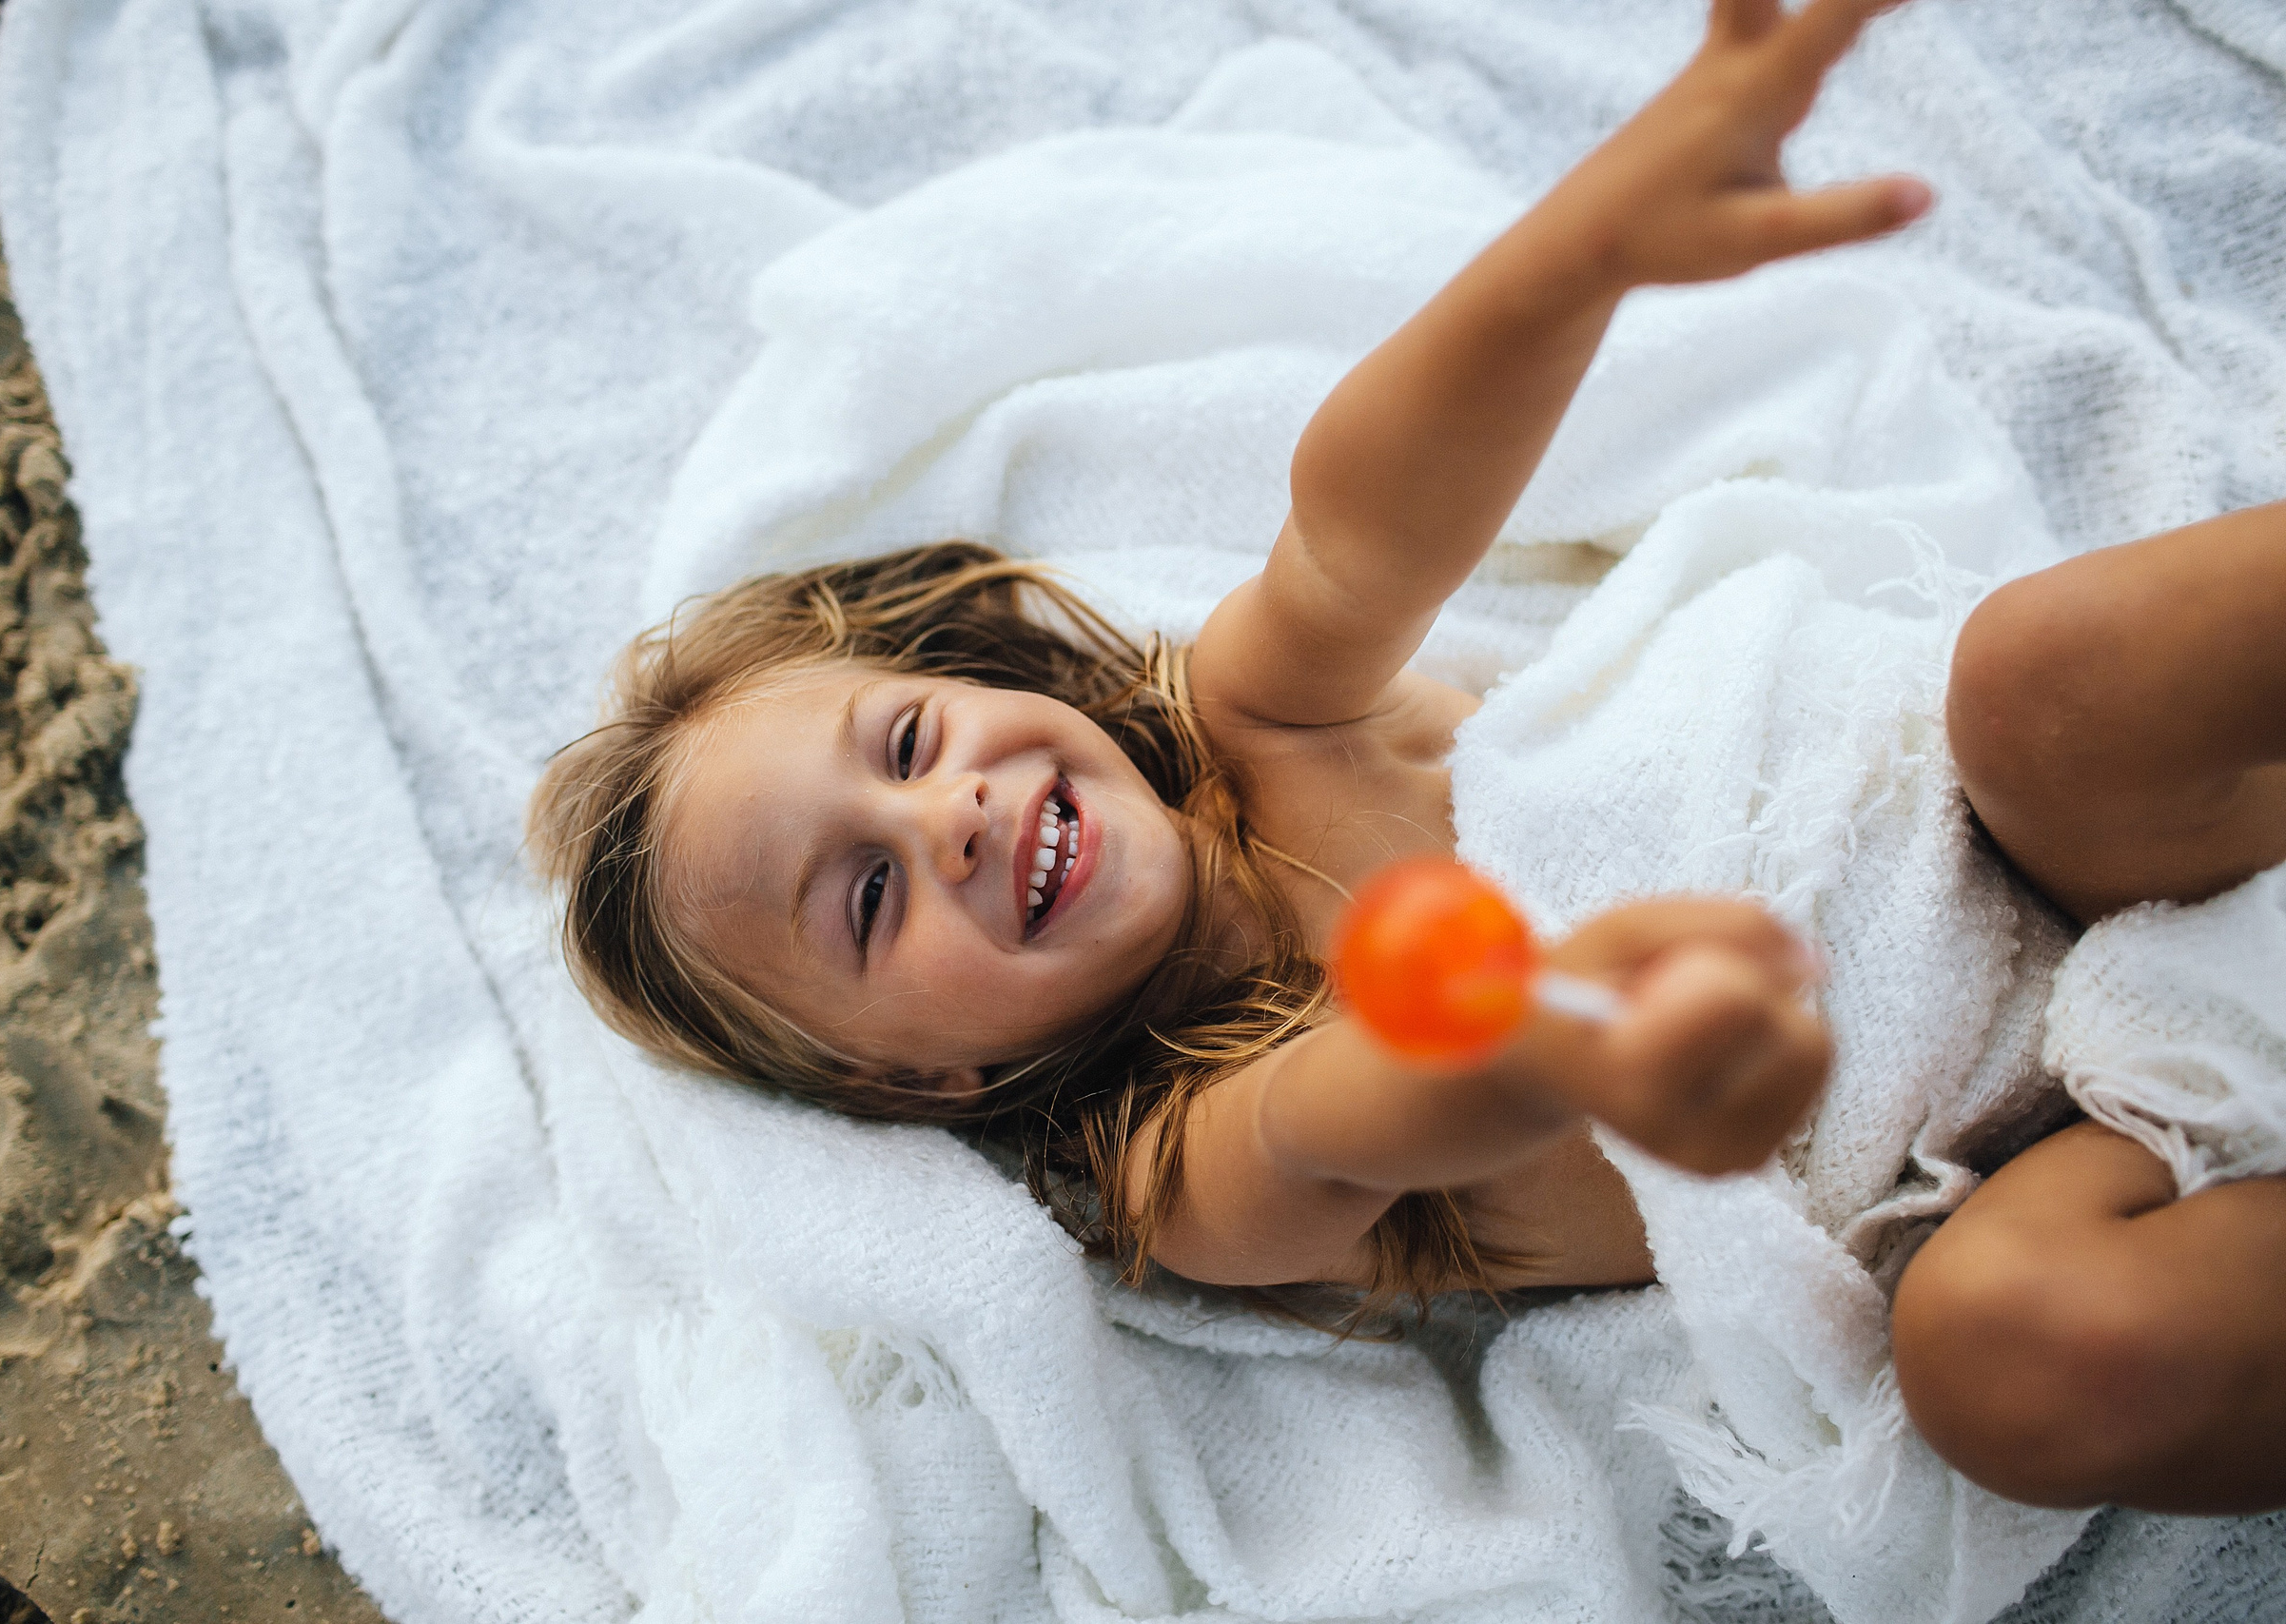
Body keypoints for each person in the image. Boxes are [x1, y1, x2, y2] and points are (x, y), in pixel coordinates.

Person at [529, 0, 2286, 1517]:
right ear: (911, 1086)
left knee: (2038, 670)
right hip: (2030, 1159)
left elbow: (1362, 517)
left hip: (2046, 835)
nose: (952, 817)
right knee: (2008, 1363)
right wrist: (1574, 1033)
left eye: (906, 744)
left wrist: (1590, 243)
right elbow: (1347, 1110)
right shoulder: (1176, 1162)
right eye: (868, 898)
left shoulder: (1256, 721)